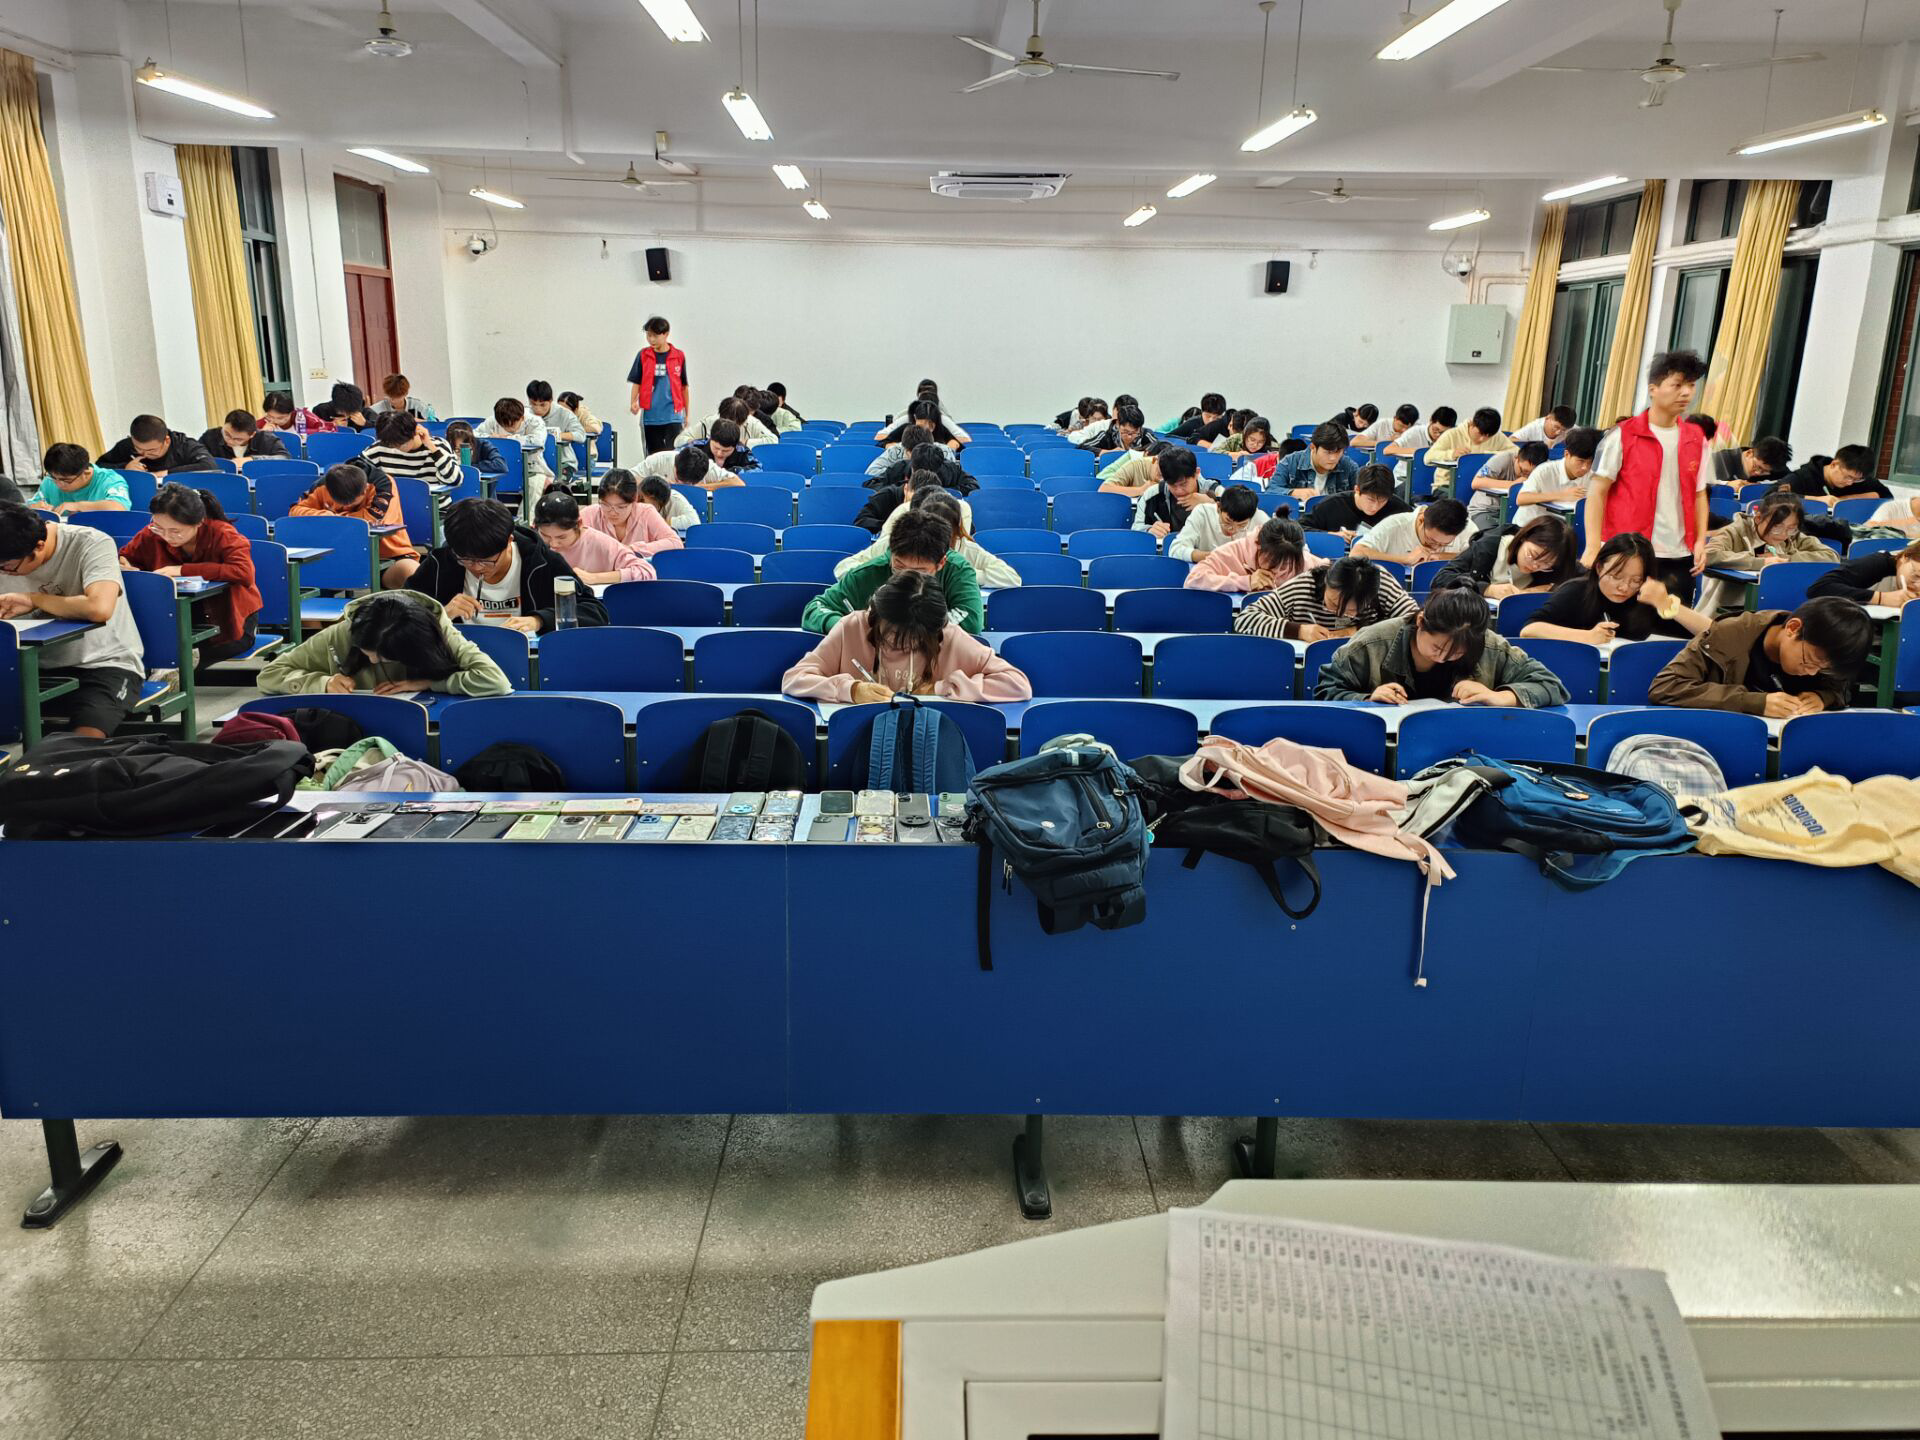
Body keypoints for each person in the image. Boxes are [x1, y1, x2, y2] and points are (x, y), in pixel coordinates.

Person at [0, 502, 145, 737]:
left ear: (39, 546)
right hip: (24, 666)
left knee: (82, 743)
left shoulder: (91, 543)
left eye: (7, 568)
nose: (4, 573)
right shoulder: (9, 553)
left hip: (102, 665)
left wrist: (34, 600)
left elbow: (99, 608)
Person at [783, 570, 1032, 704]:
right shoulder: (852, 627)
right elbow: (794, 678)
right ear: (877, 615)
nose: (899, 643)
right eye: (891, 632)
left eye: (914, 637)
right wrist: (851, 690)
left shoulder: (949, 636)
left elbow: (1018, 684)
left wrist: (941, 688)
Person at [1582, 350, 1711, 586]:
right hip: (1628, 550)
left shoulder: (1696, 439)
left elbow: (1699, 494)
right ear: (1653, 389)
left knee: (1673, 611)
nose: (1686, 392)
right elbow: (1597, 492)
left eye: (1691, 385)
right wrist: (1592, 546)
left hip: (1679, 554)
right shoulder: (1623, 435)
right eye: (1677, 385)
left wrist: (1700, 541)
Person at [1316, 588, 1568, 707]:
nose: (1443, 658)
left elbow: (1551, 686)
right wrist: (1367, 698)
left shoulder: (1489, 645)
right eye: (1437, 647)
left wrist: (1501, 697)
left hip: (1462, 746)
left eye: (1457, 653)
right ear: (1420, 622)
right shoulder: (1371, 643)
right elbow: (1325, 692)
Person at [117, 483, 261, 673]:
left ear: (199, 522)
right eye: (159, 527)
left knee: (182, 656)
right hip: (175, 616)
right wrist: (125, 565)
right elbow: (125, 556)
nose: (167, 536)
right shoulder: (152, 533)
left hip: (228, 619)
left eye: (175, 531)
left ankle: (173, 670)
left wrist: (182, 570)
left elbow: (243, 572)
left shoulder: (223, 534)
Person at [409, 497, 608, 634]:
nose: (477, 568)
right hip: (457, 661)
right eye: (466, 560)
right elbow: (399, 614)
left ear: (508, 541)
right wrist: (442, 613)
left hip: (526, 659)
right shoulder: (441, 562)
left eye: (487, 561)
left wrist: (539, 620)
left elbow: (594, 612)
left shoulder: (543, 562)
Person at [1648, 595, 1871, 717]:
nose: (1812, 672)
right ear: (1792, 628)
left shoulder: (1825, 651)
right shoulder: (1728, 634)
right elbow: (1665, 686)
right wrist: (1752, 702)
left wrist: (1823, 697)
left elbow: (1841, 687)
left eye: (1821, 669)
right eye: (1808, 661)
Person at [258, 590, 510, 698]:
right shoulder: (346, 632)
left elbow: (495, 681)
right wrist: (323, 682)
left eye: (383, 656)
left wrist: (429, 683)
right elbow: (269, 675)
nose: (373, 661)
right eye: (368, 652)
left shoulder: (438, 632)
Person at [801, 508, 983, 635]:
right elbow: (814, 609)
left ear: (941, 563)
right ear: (891, 553)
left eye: (920, 571)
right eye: (899, 566)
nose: (906, 576)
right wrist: (847, 626)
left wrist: (907, 630)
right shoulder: (869, 573)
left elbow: (972, 622)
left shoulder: (958, 571)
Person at [1520, 532, 1710, 645]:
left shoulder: (1647, 597)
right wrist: (1587, 637)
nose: (1624, 587)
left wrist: (1667, 604)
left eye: (1636, 580)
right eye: (1616, 576)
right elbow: (1530, 629)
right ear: (1599, 568)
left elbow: (1713, 633)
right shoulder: (1577, 591)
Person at [837, 488, 1018, 589]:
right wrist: (883, 574)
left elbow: (1012, 578)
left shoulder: (966, 548)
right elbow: (843, 568)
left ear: (957, 531)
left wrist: (966, 576)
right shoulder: (895, 544)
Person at [1699, 491, 1836, 614]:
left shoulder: (1793, 535)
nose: (1783, 534)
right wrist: (1761, 562)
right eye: (1776, 527)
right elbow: (1709, 555)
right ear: (1758, 518)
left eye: (1791, 528)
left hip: (1775, 605)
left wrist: (1786, 560)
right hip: (1728, 607)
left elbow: (1831, 556)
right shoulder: (1736, 531)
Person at [290, 462, 419, 589]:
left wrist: (335, 519)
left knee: (411, 571)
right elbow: (295, 511)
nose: (345, 507)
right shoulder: (324, 485)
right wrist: (325, 514)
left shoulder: (383, 485)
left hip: (387, 557)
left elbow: (373, 520)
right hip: (339, 559)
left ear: (365, 490)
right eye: (340, 503)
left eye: (352, 503)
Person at [1235, 554, 1417, 642]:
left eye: (1352, 611)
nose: (1340, 615)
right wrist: (1299, 631)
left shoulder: (1380, 584)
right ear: (1327, 581)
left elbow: (1416, 622)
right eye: (1334, 604)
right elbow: (1245, 620)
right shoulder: (1304, 586)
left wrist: (1360, 630)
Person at [1431, 514, 1582, 600]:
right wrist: (1487, 589)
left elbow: (1586, 579)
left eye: (1546, 564)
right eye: (1532, 555)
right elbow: (1441, 579)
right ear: (1523, 538)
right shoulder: (1490, 546)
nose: (1535, 566)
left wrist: (1549, 588)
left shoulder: (1555, 564)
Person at [533, 490, 655, 585]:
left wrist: (594, 577)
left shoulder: (600, 543)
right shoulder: (533, 543)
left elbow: (646, 572)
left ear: (579, 524)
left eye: (562, 537)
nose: (553, 544)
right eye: (546, 536)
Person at [1186, 515, 1321, 593]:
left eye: (1285, 564)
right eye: (1273, 561)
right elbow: (1193, 580)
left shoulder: (1302, 560)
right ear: (1258, 545)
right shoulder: (1233, 551)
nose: (1278, 570)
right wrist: (1246, 582)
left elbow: (1329, 573)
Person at [1511, 425, 1600, 529]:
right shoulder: (1545, 470)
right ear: (1567, 454)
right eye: (1581, 461)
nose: (1585, 467)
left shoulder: (1591, 476)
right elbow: (1521, 499)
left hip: (1562, 529)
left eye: (1590, 462)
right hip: (1529, 527)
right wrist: (1561, 495)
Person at [582, 469, 684, 556]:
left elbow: (675, 543)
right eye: (606, 505)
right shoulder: (591, 514)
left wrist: (632, 549)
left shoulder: (646, 513)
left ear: (635, 499)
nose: (612, 512)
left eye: (621, 507)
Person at [476, 396, 551, 512]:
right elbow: (475, 435)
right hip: (498, 468)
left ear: (522, 417)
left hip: (531, 468)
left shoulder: (535, 422)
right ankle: (490, 516)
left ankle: (526, 520)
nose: (508, 428)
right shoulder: (493, 420)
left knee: (535, 484)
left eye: (512, 425)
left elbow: (537, 441)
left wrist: (508, 438)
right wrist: (490, 437)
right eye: (504, 425)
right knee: (481, 483)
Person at [628, 314, 688, 454]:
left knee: (674, 454)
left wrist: (687, 414)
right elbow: (637, 382)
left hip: (673, 415)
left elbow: (684, 386)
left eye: (655, 336)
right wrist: (633, 402)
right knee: (653, 456)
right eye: (648, 335)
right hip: (651, 416)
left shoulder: (678, 356)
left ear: (666, 334)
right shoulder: (643, 355)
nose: (651, 339)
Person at [1301, 464, 1411, 540]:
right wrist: (1332, 535)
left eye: (1382, 501)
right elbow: (1300, 528)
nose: (1375, 507)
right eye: (1371, 500)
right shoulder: (1332, 505)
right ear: (1357, 490)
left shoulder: (1397, 507)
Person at [1351, 497, 1471, 566]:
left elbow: (1476, 557)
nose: (1435, 547)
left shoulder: (1466, 527)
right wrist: (1405, 559)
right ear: (1421, 520)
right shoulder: (1394, 525)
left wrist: (1441, 556)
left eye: (1444, 544)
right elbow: (1356, 553)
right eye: (1431, 540)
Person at [1425, 406, 1515, 494]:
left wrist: (1491, 454)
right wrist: (1451, 454)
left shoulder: (1497, 437)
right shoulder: (1452, 434)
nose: (1482, 439)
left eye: (1488, 437)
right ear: (1472, 424)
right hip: (1447, 486)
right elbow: (1427, 457)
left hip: (1479, 487)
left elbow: (1516, 452)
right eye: (1479, 433)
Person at [1463, 440, 1548, 531]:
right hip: (1485, 510)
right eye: (1523, 470)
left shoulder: (1545, 470)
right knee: (1492, 536)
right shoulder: (1502, 459)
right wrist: (1513, 485)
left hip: (1513, 514)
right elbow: (1476, 482)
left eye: (1531, 474)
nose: (1525, 476)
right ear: (1517, 458)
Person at [363, 410, 462, 487]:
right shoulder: (382, 446)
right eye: (392, 445)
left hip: (433, 505)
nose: (396, 448)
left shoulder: (438, 446)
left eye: (401, 444)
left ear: (414, 432)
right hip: (394, 505)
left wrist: (431, 447)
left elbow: (455, 480)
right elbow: (358, 473)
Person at [642, 419, 753, 487]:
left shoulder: (743, 452)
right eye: (716, 448)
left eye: (726, 451)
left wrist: (705, 487)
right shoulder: (692, 448)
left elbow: (742, 481)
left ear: (735, 446)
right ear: (710, 439)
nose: (719, 453)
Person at [1131, 447, 1212, 539]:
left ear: (1196, 473)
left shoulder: (1214, 490)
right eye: (1172, 485)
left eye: (1184, 484)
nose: (1179, 491)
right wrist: (1149, 530)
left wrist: (1212, 505)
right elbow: (1136, 529)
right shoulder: (1152, 495)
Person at [98, 414, 215, 477]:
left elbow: (209, 466)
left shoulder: (184, 445)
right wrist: (125, 468)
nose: (144, 454)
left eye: (151, 450)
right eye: (138, 449)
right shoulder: (126, 446)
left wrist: (165, 474)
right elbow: (99, 467)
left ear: (167, 440)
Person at [1170, 483, 1261, 563]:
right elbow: (1175, 550)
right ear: (1218, 508)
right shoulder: (1203, 513)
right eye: (1227, 522)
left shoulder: (1259, 519)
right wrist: (1211, 556)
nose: (1233, 530)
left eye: (1242, 525)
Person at [1807, 539, 1920, 604]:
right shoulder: (1879, 563)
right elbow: (1819, 588)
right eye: (1916, 575)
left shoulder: (1911, 565)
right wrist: (1881, 598)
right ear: (1905, 557)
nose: (1918, 585)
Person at [32, 443, 132, 514]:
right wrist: (35, 508)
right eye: (54, 477)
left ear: (86, 473)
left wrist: (78, 506)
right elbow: (30, 506)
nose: (58, 484)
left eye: (66, 480)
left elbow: (119, 508)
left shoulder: (109, 480)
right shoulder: (50, 480)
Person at [1268, 421, 1360, 497]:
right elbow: (1270, 491)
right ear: (1313, 447)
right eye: (1328, 452)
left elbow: (1362, 493)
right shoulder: (1290, 462)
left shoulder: (1349, 466)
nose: (1333, 458)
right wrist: (1292, 493)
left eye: (1338, 452)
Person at [1780, 444, 1891, 502]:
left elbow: (1886, 497)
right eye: (1848, 477)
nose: (1850, 483)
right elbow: (1774, 496)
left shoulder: (1858, 481)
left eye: (1856, 480)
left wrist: (1845, 500)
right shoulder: (1802, 477)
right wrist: (1817, 500)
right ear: (1834, 464)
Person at [527, 380, 584, 483]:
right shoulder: (525, 414)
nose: (538, 409)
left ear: (551, 400)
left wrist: (557, 435)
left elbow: (581, 435)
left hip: (563, 462)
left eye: (542, 405)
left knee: (556, 485)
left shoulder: (565, 414)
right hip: (535, 464)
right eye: (533, 404)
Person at [871, 438, 972, 495]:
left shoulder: (951, 469)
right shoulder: (899, 467)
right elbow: (872, 484)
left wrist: (942, 491)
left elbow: (972, 486)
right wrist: (900, 491)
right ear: (912, 465)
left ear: (940, 467)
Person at [682, 392, 778, 450]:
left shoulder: (751, 422)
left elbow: (773, 440)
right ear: (720, 417)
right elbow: (680, 440)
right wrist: (697, 443)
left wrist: (745, 442)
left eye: (736, 424)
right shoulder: (709, 421)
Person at [198, 409, 289, 465]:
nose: (230, 441)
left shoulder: (265, 439)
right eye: (227, 434)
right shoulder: (210, 436)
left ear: (252, 435)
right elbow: (196, 456)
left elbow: (285, 458)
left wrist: (251, 460)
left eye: (238, 439)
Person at [877, 396, 968, 451]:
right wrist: (891, 446)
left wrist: (954, 444)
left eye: (930, 424)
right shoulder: (905, 429)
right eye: (921, 424)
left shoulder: (941, 430)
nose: (926, 427)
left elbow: (960, 447)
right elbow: (881, 444)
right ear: (915, 418)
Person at [1714, 436, 1792, 486]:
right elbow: (1707, 482)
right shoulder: (1720, 460)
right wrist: (1726, 484)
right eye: (1756, 467)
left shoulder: (1773, 468)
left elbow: (1791, 480)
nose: (1758, 473)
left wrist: (1760, 484)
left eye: (1764, 471)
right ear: (1749, 453)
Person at [1353, 402, 1418, 453]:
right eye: (1401, 426)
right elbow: (1355, 442)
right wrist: (1385, 442)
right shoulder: (1382, 424)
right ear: (1395, 418)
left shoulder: (1416, 429)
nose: (1404, 430)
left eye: (1407, 428)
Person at [259, 390, 332, 436]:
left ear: (291, 412)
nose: (275, 421)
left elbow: (330, 430)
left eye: (280, 418)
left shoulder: (303, 417)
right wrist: (262, 433)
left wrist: (305, 432)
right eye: (270, 416)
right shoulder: (265, 422)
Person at [372, 373, 436, 421]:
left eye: (396, 396)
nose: (392, 400)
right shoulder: (377, 409)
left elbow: (435, 424)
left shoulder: (418, 406)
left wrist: (421, 422)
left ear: (405, 393)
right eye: (389, 395)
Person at [1510, 405, 1575, 446]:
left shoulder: (1571, 429)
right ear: (1547, 418)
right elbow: (1511, 440)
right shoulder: (1534, 427)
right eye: (1556, 427)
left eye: (1563, 430)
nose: (1558, 432)